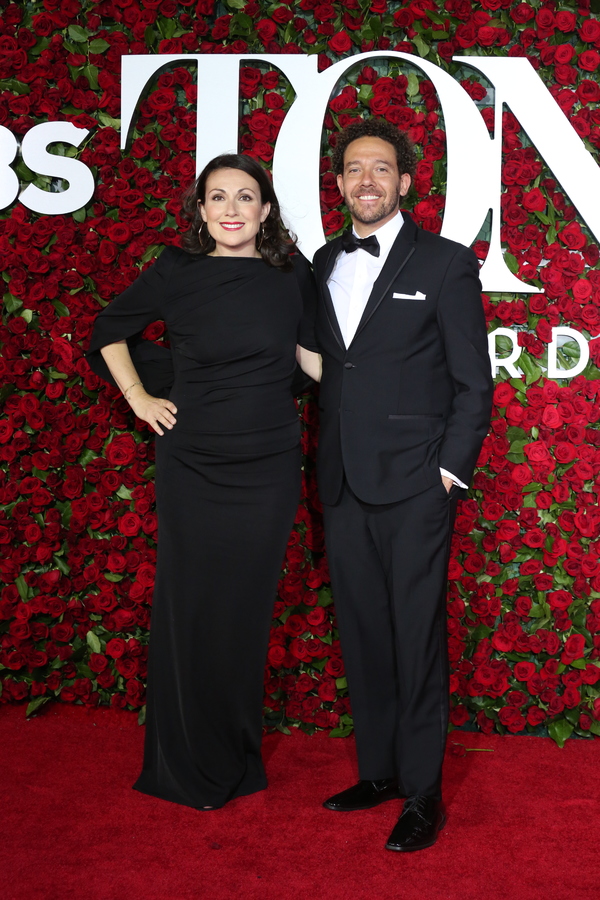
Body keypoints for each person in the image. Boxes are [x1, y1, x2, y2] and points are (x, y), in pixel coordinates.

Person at [86, 154, 321, 810]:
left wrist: (378, 374)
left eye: (246, 197)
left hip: (268, 466)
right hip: (193, 464)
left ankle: (235, 752)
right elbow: (110, 330)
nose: (231, 209)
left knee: (244, 613)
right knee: (189, 606)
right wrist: (138, 398)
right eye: (217, 197)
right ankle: (184, 759)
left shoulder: (289, 274)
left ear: (266, 210)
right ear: (200, 210)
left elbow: (309, 357)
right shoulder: (176, 269)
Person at [310, 119, 493, 851]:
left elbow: (472, 387)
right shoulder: (322, 259)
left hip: (417, 484)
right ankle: (379, 770)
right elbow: (331, 367)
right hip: (344, 482)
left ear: (406, 182)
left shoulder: (445, 263)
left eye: (380, 169)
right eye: (354, 170)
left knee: (415, 639)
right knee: (361, 634)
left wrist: (447, 473)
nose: (367, 181)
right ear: (341, 182)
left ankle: (422, 793)